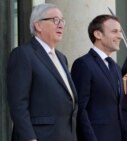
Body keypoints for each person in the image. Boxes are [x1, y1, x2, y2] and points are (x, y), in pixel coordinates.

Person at [7, 3, 77, 141]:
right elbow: (18, 104)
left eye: (62, 20)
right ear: (38, 25)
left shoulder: (62, 58)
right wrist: (29, 138)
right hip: (40, 136)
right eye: (55, 20)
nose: (61, 25)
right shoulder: (23, 54)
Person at [71, 14, 127, 141]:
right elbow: (80, 109)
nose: (120, 36)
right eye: (114, 31)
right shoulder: (83, 64)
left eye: (120, 31)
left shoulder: (115, 67)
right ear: (98, 34)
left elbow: (122, 108)